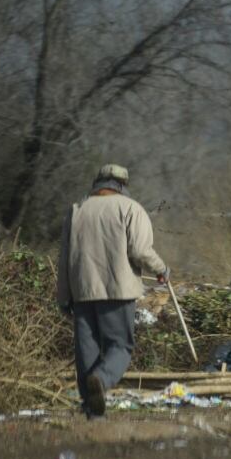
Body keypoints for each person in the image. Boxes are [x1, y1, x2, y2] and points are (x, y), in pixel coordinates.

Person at [57, 163, 169, 419]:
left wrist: (63, 297)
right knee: (120, 347)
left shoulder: (76, 211)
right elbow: (140, 252)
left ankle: (92, 411)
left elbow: (64, 258)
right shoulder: (131, 209)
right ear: (122, 185)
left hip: (83, 293)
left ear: (98, 183)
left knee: (87, 353)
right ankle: (102, 379)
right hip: (118, 292)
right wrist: (162, 268)